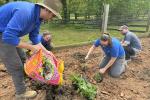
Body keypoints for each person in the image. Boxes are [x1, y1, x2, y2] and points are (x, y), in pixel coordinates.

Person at [0, 0, 62, 99]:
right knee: (16, 65)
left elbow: (34, 37)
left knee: (24, 58)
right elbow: (8, 37)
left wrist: (47, 52)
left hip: (8, 34)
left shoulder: (38, 18)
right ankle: (21, 93)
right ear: (47, 10)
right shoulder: (26, 13)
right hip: (2, 34)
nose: (52, 18)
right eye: (53, 15)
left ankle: (24, 80)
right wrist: (31, 47)